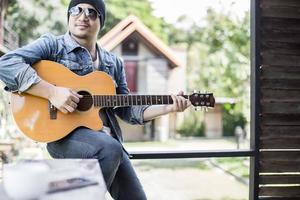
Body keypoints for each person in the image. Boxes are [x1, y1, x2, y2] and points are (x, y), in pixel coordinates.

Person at [0, 0, 191, 199]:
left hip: (109, 144)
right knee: (109, 148)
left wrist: (168, 108)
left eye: (92, 12)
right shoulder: (53, 46)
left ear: (101, 21)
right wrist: (52, 93)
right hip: (64, 137)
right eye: (76, 10)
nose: (83, 16)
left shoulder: (113, 62)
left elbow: (127, 109)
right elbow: (6, 64)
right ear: (69, 16)